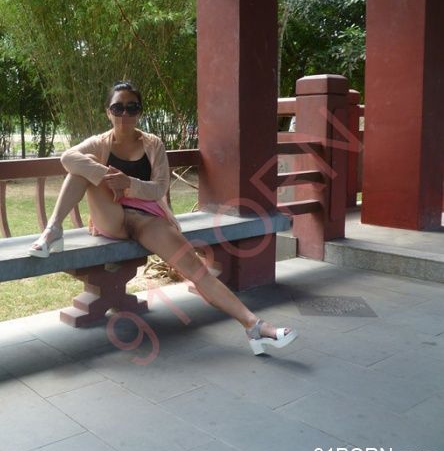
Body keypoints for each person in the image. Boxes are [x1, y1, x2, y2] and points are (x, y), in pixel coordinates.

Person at [28, 81, 296, 355]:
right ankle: (53, 230)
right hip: (112, 216)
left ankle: (254, 326)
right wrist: (108, 177)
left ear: (140, 112)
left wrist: (127, 182)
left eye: (132, 107)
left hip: (149, 219)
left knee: (197, 271)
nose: (124, 114)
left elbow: (159, 188)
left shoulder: (153, 143)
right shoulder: (99, 143)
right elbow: (68, 158)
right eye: (118, 108)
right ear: (108, 111)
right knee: (78, 169)